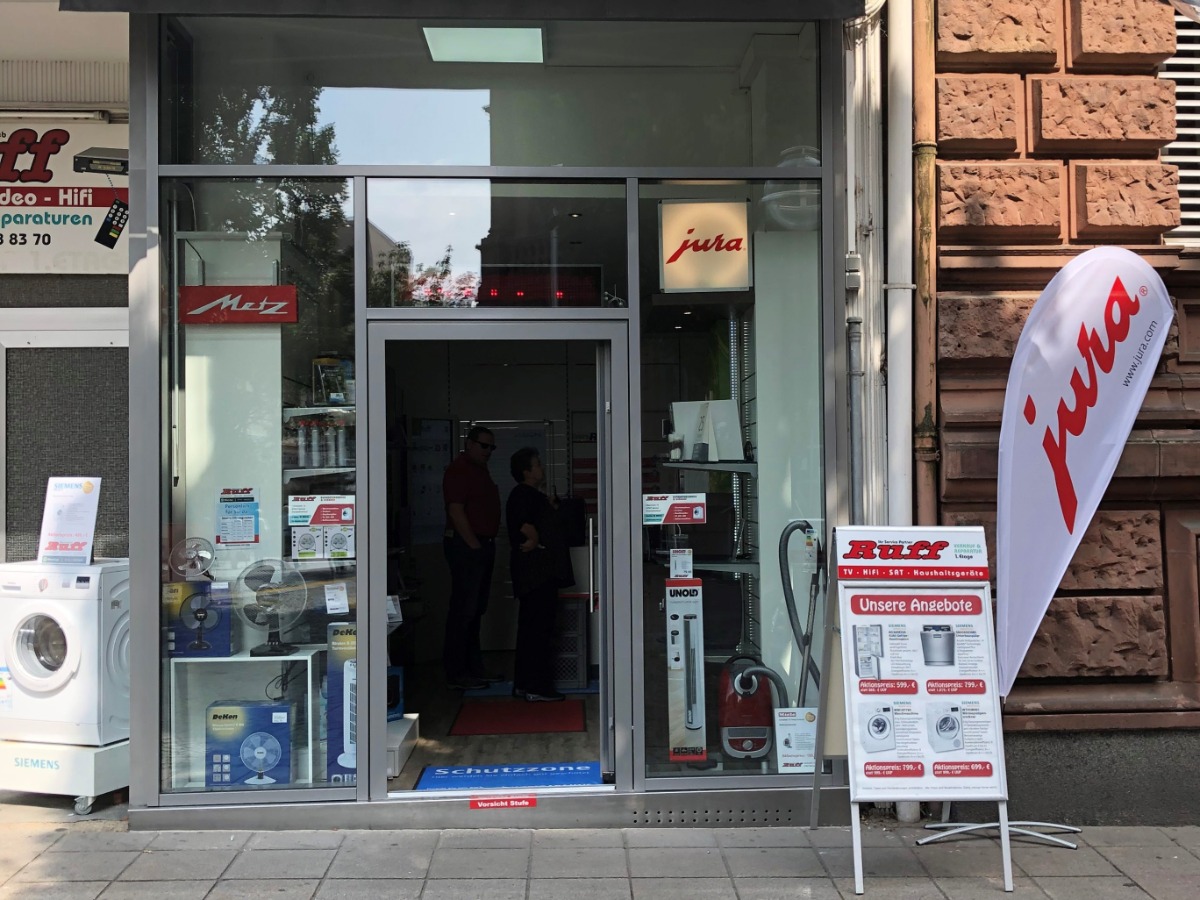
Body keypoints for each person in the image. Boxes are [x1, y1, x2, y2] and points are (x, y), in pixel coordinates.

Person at [506, 446, 574, 702]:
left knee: (530, 629)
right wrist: (535, 539)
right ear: (526, 471)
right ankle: (537, 686)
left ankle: (524, 683)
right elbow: (523, 524)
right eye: (537, 465)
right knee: (538, 630)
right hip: (537, 574)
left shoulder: (532, 496)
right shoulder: (523, 494)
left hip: (537, 574)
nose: (541, 468)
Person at [442, 425, 502, 690]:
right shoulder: (459, 470)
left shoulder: (480, 470)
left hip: (480, 544)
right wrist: (474, 546)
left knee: (475, 610)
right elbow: (456, 511)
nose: (488, 451)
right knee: (464, 611)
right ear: (470, 443)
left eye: (492, 447)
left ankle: (474, 669)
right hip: (468, 546)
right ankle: (457, 673)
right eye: (484, 445)